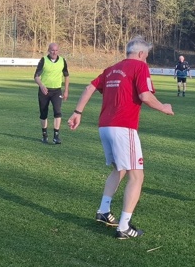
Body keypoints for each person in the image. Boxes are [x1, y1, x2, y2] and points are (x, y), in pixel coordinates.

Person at [67, 36, 174, 239]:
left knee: (120, 169)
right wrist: (164, 107)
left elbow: (89, 87)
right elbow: (145, 96)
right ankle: (124, 226)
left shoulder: (112, 68)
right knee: (137, 176)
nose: (146, 60)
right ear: (141, 54)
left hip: (104, 126)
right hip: (124, 127)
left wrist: (77, 112)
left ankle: (104, 211)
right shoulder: (140, 67)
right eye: (147, 56)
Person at [33, 43, 70, 144]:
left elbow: (66, 76)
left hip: (57, 91)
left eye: (56, 50)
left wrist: (66, 90)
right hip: (44, 91)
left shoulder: (62, 61)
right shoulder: (43, 60)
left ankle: (56, 136)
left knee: (57, 112)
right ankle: (44, 135)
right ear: (48, 50)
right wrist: (42, 85)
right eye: (52, 50)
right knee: (43, 113)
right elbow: (36, 76)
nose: (54, 52)